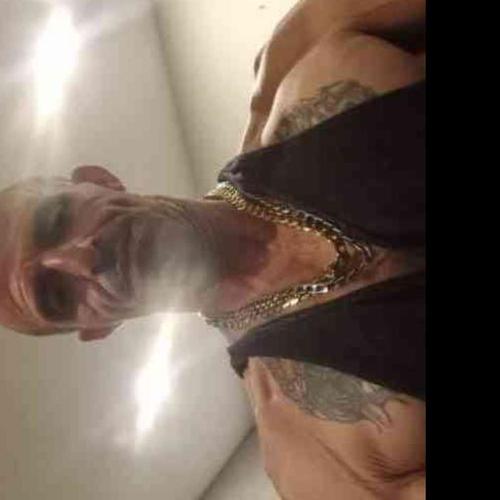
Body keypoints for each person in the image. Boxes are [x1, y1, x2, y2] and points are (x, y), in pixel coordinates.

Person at [0, 0, 426, 498]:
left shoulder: (303, 60)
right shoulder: (314, 457)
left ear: (98, 180)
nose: (83, 258)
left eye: (56, 220)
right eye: (55, 293)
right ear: (97, 326)